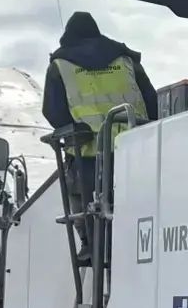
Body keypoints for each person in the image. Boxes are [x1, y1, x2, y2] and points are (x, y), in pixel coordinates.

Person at [40, 11, 159, 204]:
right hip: (133, 151)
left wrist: (75, 129)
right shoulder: (126, 60)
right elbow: (153, 102)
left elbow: (52, 111)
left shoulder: (59, 65)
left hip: (87, 159)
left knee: (86, 211)